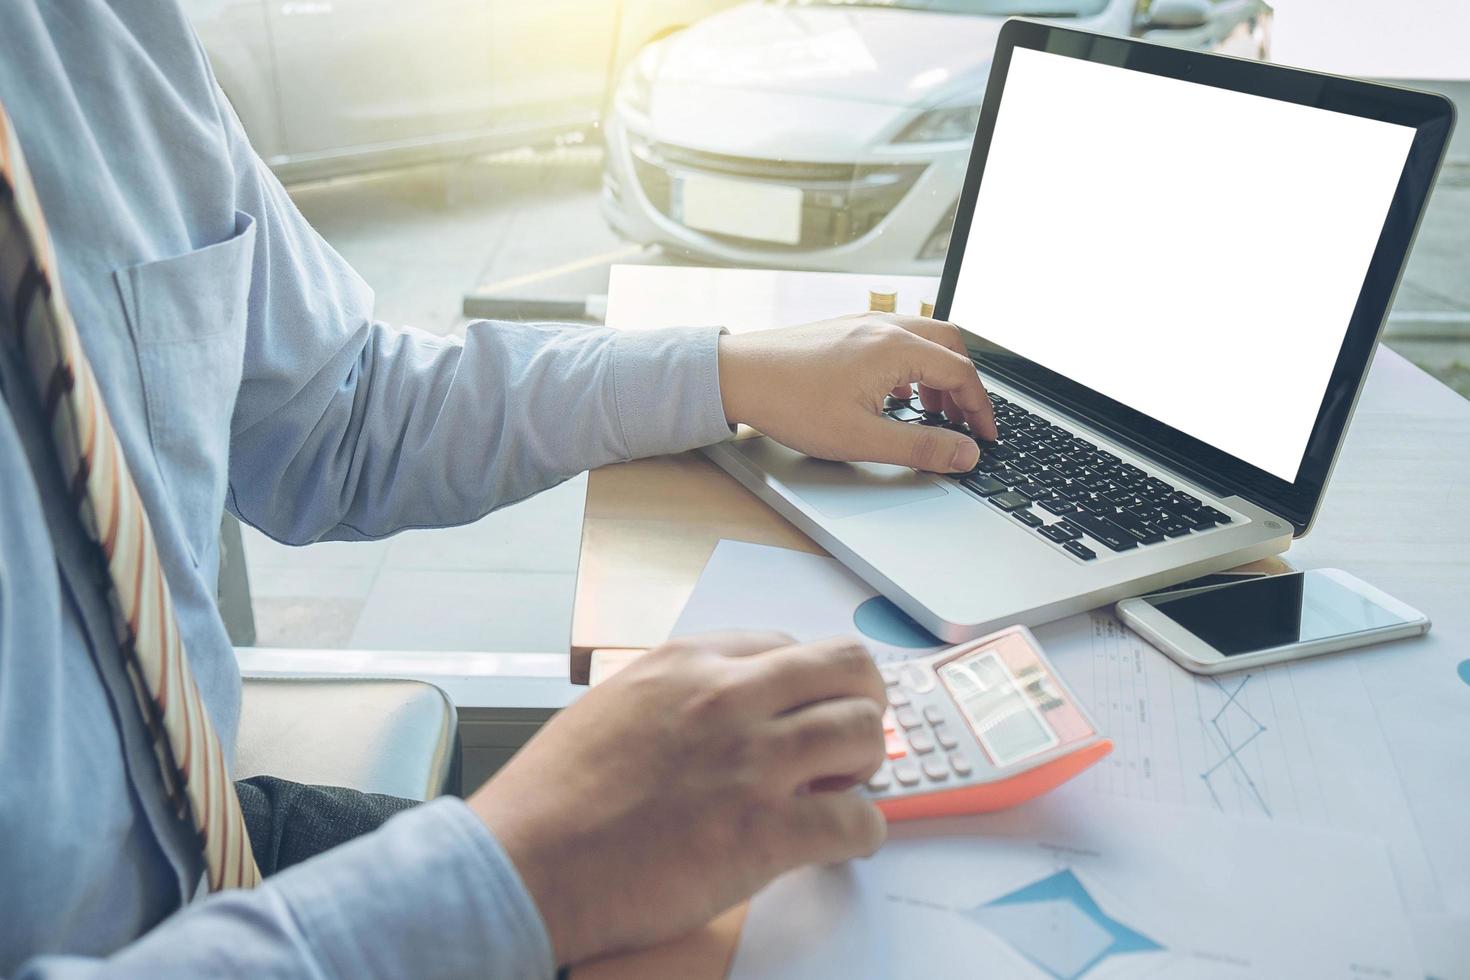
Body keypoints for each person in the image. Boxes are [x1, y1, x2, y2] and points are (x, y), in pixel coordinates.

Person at [0, 3, 996, 977]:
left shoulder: (107, 33)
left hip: (201, 834)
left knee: (781, 905)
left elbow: (340, 414)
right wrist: (521, 870)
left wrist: (732, 373)